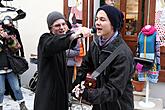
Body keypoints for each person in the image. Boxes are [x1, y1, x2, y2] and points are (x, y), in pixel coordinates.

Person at [71, 5, 134, 110]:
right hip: (99, 104)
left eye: (102, 19)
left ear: (113, 24)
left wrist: (88, 94)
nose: (97, 23)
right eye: (96, 19)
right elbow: (86, 65)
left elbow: (114, 89)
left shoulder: (123, 54)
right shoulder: (95, 44)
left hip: (118, 105)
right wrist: (77, 83)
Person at [34, 11, 89, 110]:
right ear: (50, 28)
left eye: (63, 24)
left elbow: (63, 42)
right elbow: (54, 44)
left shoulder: (61, 41)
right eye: (57, 25)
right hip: (47, 97)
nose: (62, 27)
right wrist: (74, 36)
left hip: (60, 95)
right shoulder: (45, 39)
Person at [0, 21, 28, 110]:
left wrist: (8, 38)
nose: (1, 30)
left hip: (10, 68)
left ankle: (22, 105)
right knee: (1, 91)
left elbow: (16, 47)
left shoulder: (9, 36)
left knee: (16, 88)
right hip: (0, 70)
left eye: (2, 28)